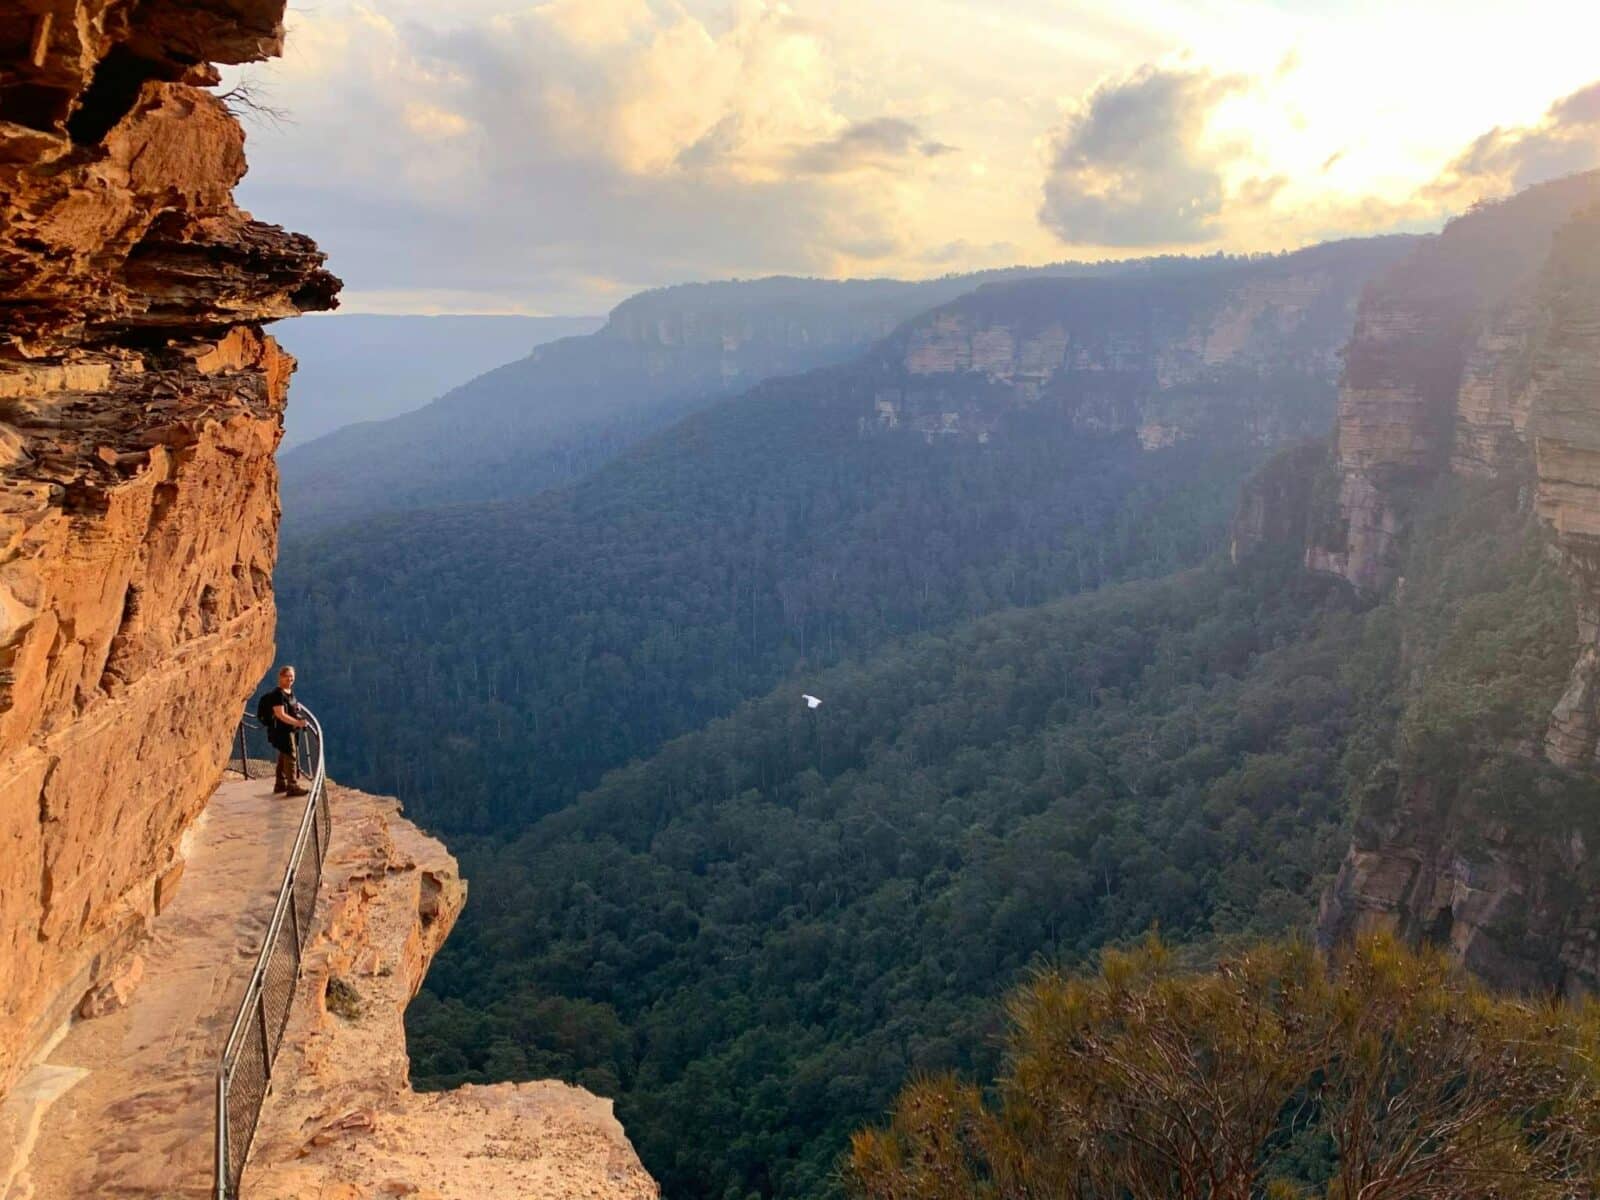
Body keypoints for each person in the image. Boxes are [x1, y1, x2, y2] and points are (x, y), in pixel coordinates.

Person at [263, 665, 310, 797]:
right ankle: (292, 785)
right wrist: (298, 723)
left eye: (292, 676)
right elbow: (280, 714)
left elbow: (290, 706)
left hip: (290, 729)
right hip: (283, 731)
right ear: (281, 677)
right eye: (287, 676)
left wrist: (297, 707)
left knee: (284, 755)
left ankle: (280, 783)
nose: (290, 679)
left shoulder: (288, 692)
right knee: (290, 755)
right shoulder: (278, 694)